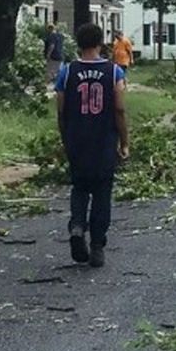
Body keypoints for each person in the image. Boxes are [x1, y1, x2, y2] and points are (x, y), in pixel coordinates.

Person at [55, 23, 129, 268]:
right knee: (102, 191)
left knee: (79, 187)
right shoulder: (114, 72)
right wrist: (124, 142)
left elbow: (61, 110)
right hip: (104, 140)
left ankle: (77, 226)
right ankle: (97, 245)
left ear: (78, 43)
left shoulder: (67, 71)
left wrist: (66, 138)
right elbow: (119, 108)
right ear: (100, 43)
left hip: (77, 139)